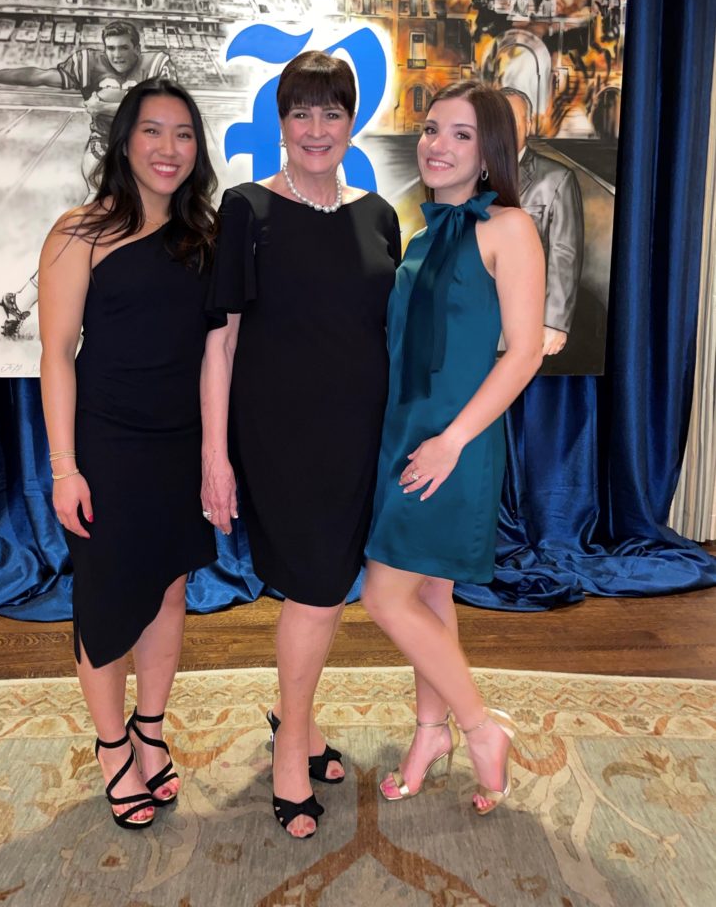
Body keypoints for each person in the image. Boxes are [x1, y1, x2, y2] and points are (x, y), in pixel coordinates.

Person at [201, 50, 401, 839]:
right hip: (279, 436)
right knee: (316, 590)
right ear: (279, 122)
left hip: (360, 434)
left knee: (325, 592)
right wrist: (215, 456)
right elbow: (218, 342)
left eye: (330, 113)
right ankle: (290, 748)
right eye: (299, 113)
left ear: (352, 121)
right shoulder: (246, 208)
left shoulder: (378, 212)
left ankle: (302, 722)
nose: (315, 130)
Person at [38, 77, 221, 830]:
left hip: (179, 446)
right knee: (108, 603)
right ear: (124, 140)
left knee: (168, 593)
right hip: (106, 447)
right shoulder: (78, 232)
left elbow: (219, 353)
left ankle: (150, 729)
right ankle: (112, 746)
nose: (168, 149)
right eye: (152, 131)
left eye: (183, 134)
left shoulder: (205, 237)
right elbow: (55, 356)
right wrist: (64, 467)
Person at [362, 82, 544, 816]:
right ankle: (428, 735)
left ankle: (477, 729)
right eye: (431, 128)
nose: (436, 144)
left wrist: (451, 440)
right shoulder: (425, 229)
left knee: (384, 595)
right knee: (430, 594)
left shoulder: (509, 228)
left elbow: (524, 353)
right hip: (405, 435)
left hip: (455, 442)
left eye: (460, 135)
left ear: (490, 150)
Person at [0, 21, 175, 334]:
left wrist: (105, 104)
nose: (118, 54)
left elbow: (156, 110)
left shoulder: (157, 65)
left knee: (94, 241)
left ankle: (22, 300)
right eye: (111, 48)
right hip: (104, 161)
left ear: (137, 47)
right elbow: (40, 76)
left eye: (124, 47)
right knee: (99, 239)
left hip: (138, 168)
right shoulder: (88, 64)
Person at [501, 87, 584, 357]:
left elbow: (564, 253)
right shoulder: (470, 175)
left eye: (513, 119)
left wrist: (554, 322)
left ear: (529, 123)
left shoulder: (556, 179)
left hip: (526, 325)